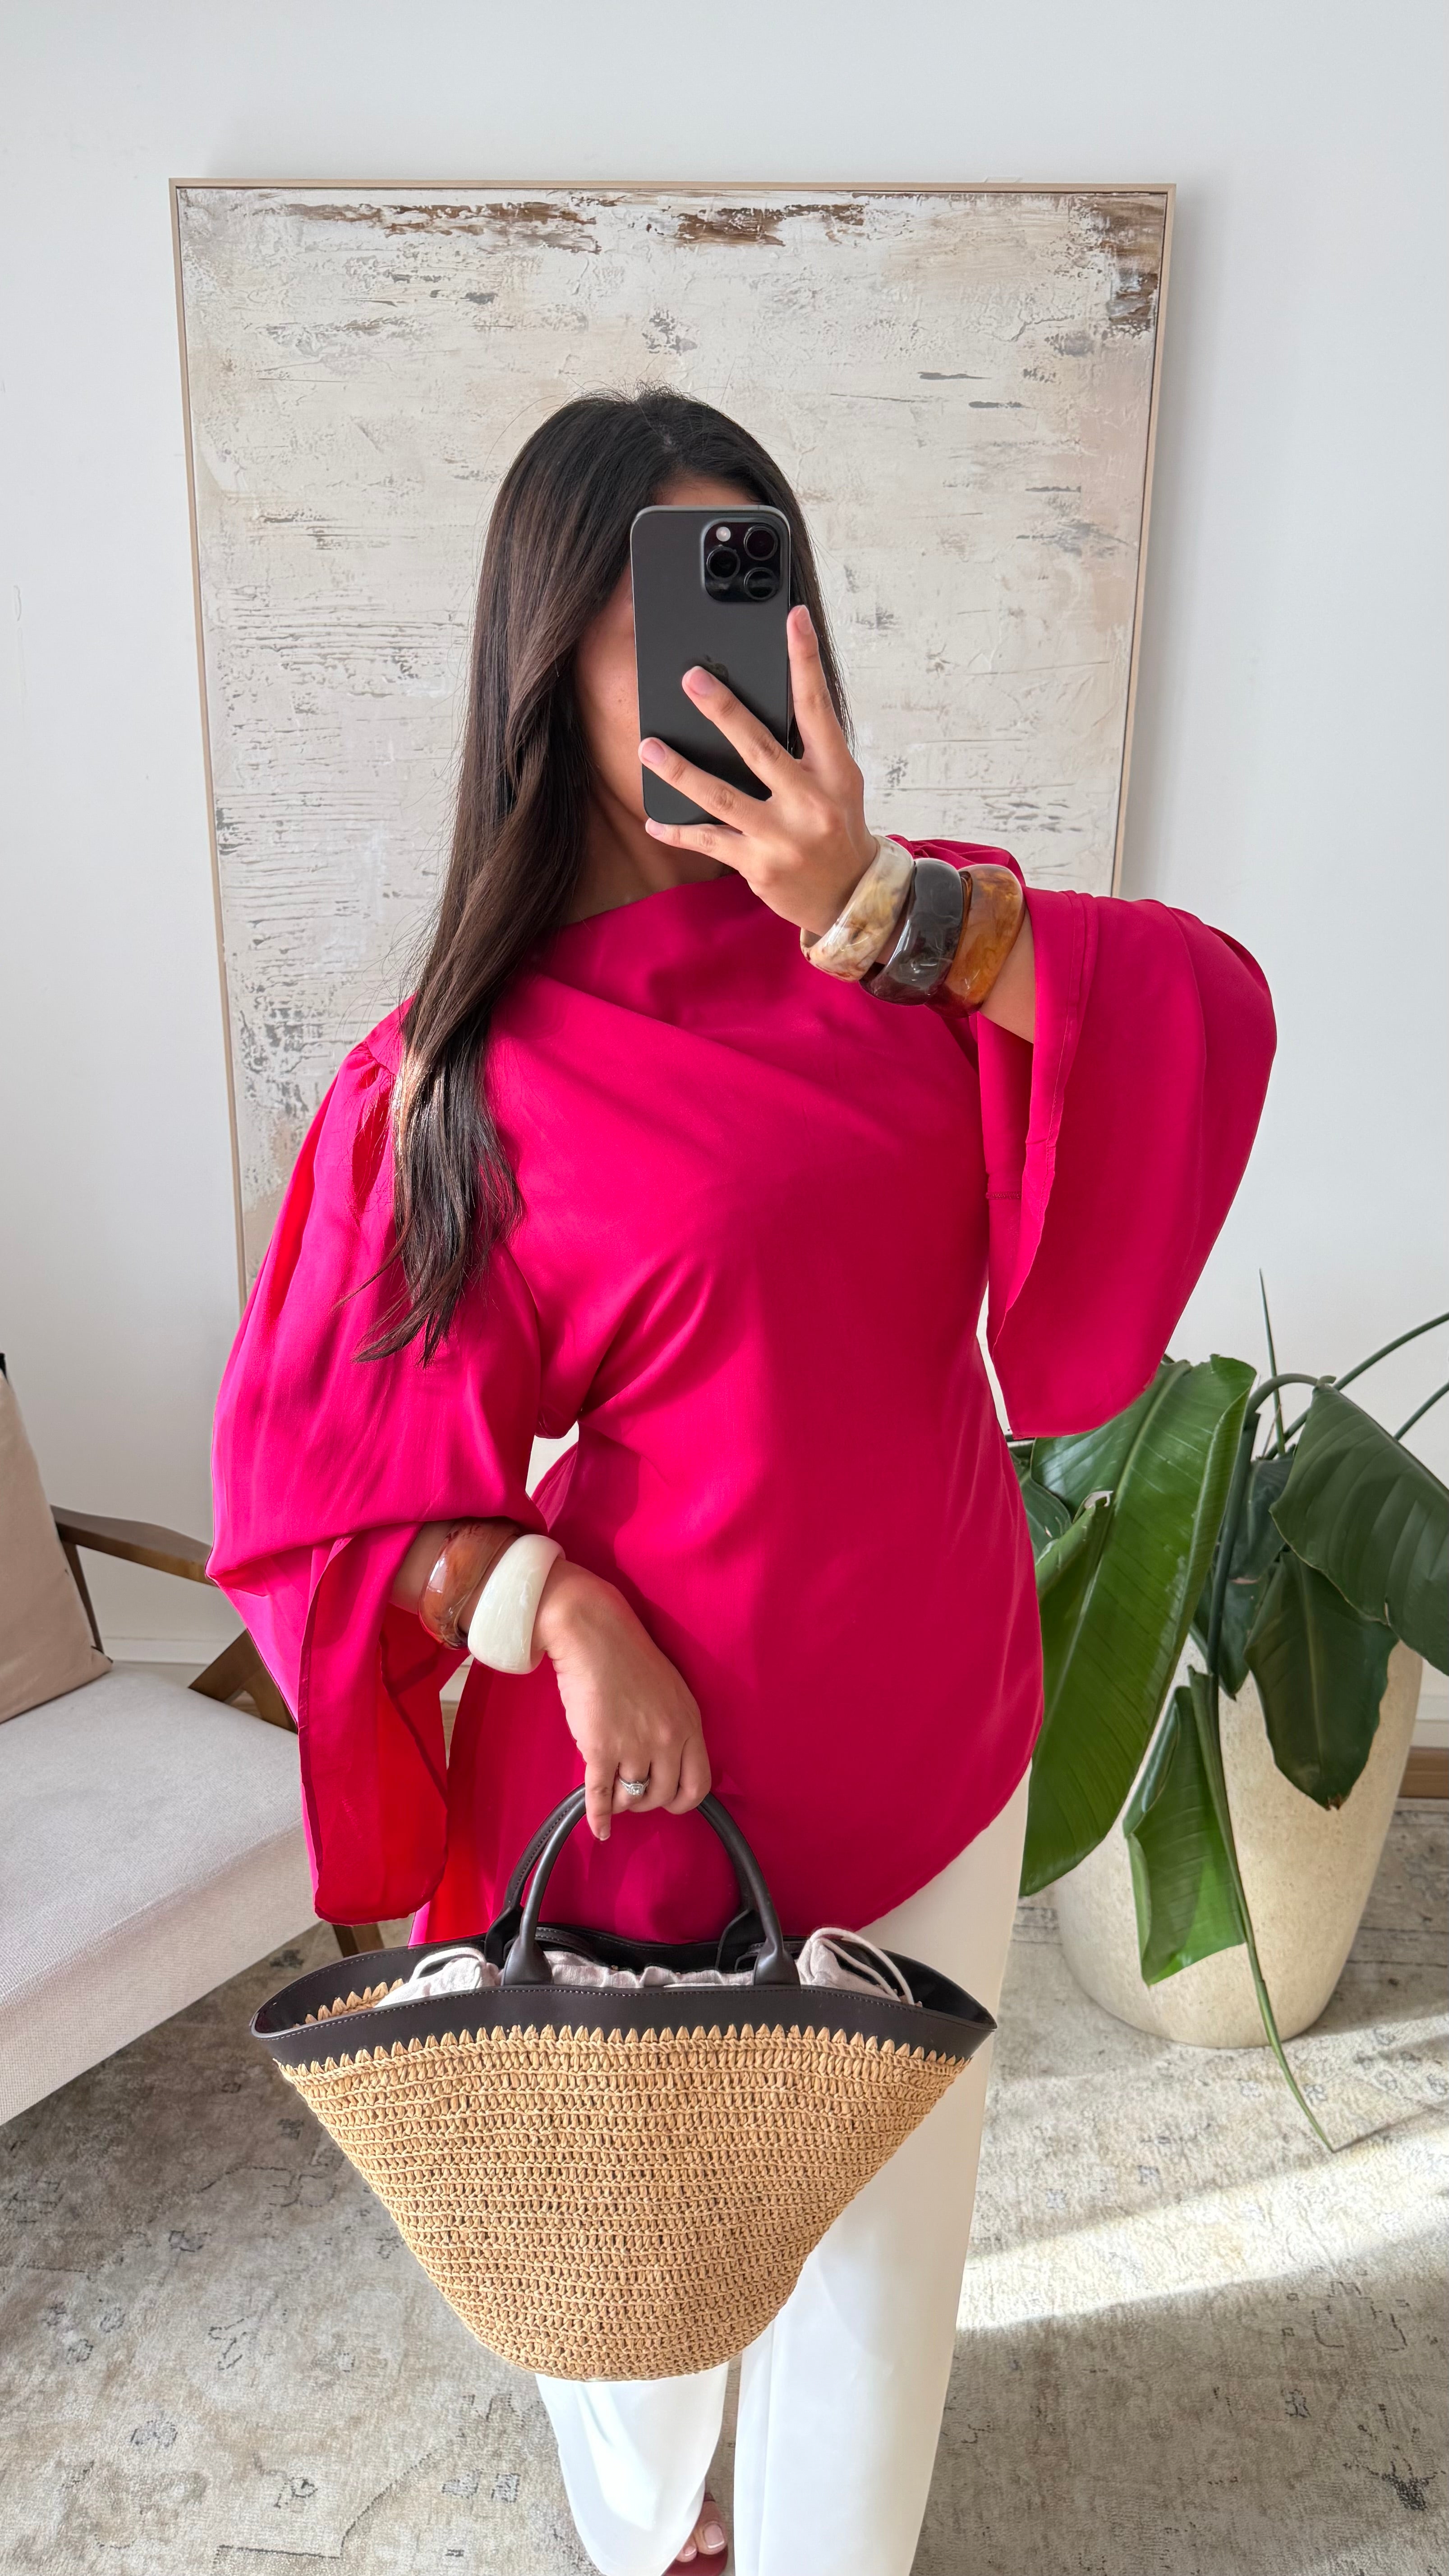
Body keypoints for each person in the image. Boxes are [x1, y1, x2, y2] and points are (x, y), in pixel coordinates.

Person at [209, 388, 1275, 2576]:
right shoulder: (456, 1077)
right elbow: (318, 1491)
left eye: (751, 584)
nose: (720, 656)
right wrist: (555, 1610)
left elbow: (1203, 1011)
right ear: (545, 655)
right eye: (653, 605)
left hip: (944, 1729)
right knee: (637, 2281)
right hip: (649, 1780)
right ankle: (658, 2525)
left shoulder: (909, 947)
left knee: (885, 2272)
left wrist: (886, 910)